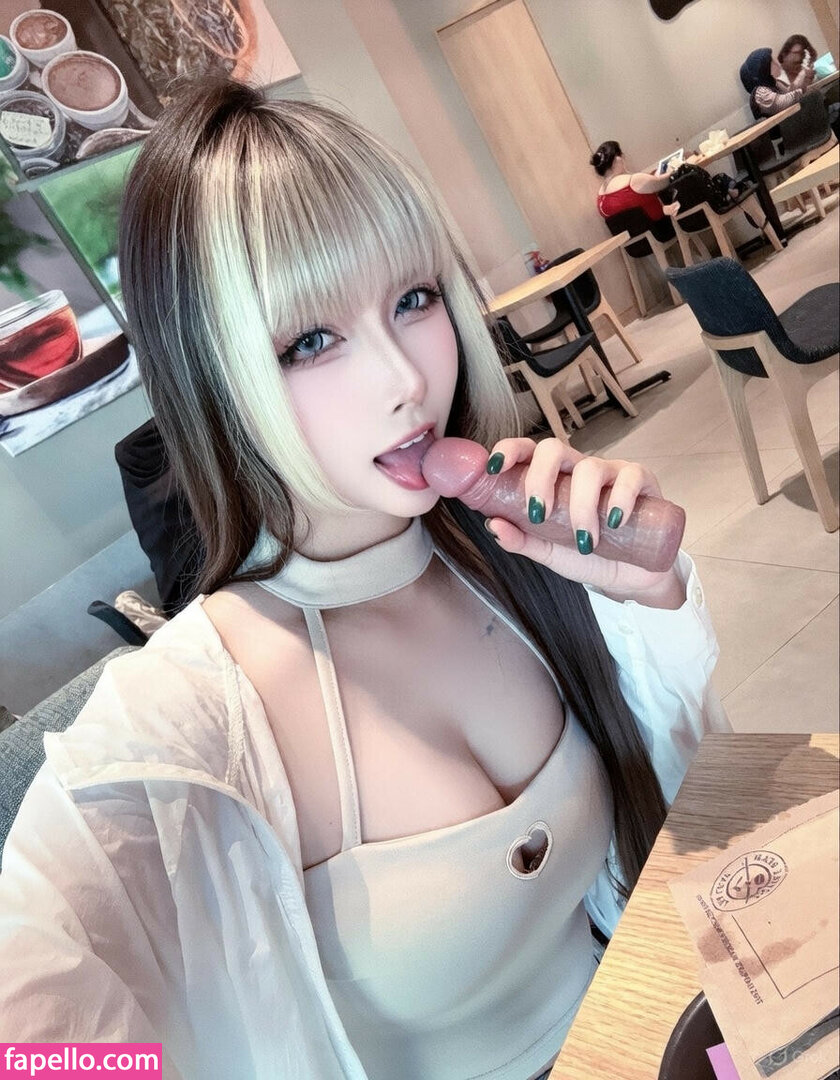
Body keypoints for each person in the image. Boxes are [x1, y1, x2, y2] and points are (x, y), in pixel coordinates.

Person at [0, 79, 729, 1080]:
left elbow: (687, 834)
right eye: (310, 341)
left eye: (414, 299)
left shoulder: (505, 557)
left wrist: (648, 602)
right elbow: (37, 1025)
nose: (405, 378)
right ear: (215, 381)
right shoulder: (179, 727)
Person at [591, 140, 681, 225]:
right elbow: (663, 182)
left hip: (641, 234)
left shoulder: (601, 200)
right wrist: (672, 169)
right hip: (661, 225)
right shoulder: (634, 181)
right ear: (616, 159)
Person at [740, 46, 813, 118]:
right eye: (772, 61)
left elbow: (790, 91)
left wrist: (804, 74)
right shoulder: (760, 94)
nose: (777, 63)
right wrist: (804, 77)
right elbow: (784, 102)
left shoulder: (774, 83)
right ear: (764, 69)